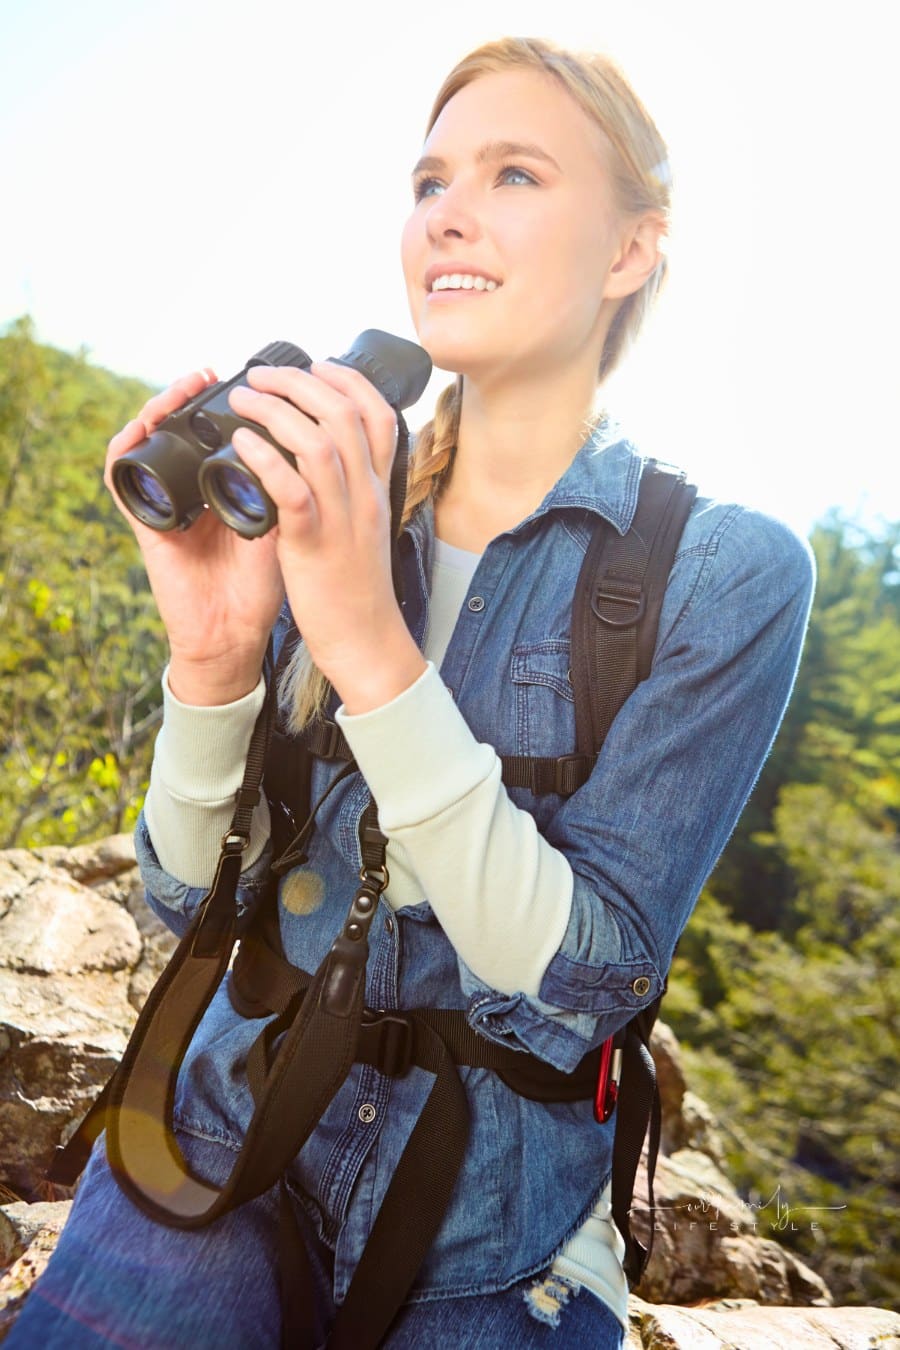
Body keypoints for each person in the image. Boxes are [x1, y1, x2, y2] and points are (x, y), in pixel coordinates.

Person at [10, 34, 815, 1350]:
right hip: (219, 1142)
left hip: (494, 1236)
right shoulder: (336, 502)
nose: (447, 209)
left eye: (513, 175)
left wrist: (372, 649)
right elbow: (180, 894)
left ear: (628, 251)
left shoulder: (724, 568)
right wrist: (214, 657)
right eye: (431, 178)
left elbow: (588, 978)